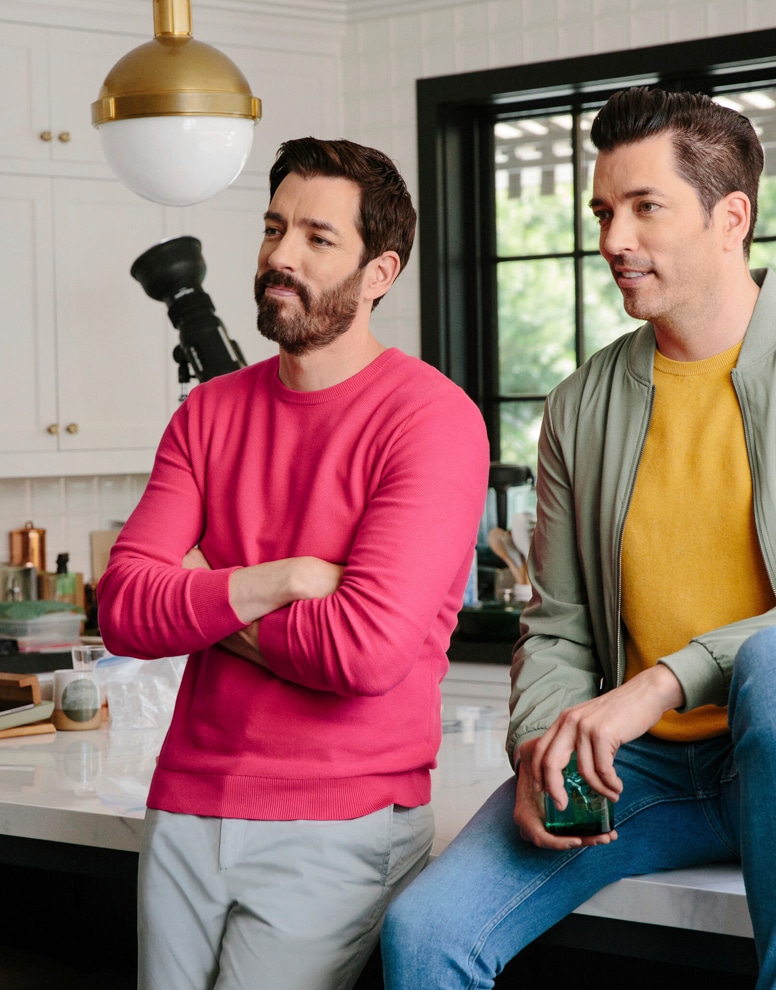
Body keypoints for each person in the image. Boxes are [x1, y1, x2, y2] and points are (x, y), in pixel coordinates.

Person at [381, 86, 776, 989]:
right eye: (605, 211)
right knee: (423, 935)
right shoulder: (578, 406)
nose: (612, 240)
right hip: (644, 772)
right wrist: (541, 747)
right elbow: (558, 627)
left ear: (731, 219)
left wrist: (656, 684)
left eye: (646, 208)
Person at [97, 136, 489, 990]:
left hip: (340, 817)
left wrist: (204, 594)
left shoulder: (430, 420)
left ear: (379, 272)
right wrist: (276, 581)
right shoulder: (209, 412)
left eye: (317, 238)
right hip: (187, 801)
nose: (280, 257)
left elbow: (363, 652)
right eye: (274, 228)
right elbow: (124, 608)